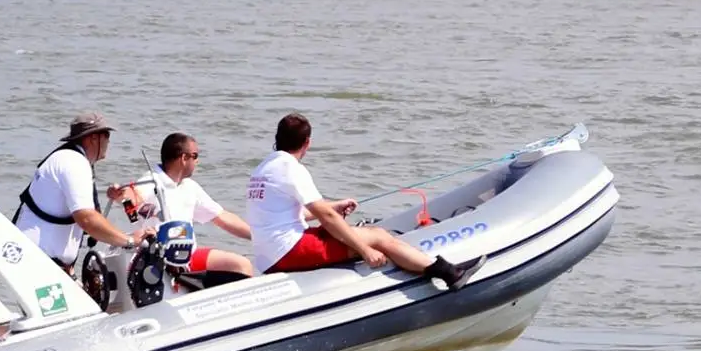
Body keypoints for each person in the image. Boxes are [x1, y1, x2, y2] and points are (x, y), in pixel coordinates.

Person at [247, 112, 482, 290]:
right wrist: (365, 250)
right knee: (377, 236)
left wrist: (334, 206)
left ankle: (436, 267)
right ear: (307, 143)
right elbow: (326, 218)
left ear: (277, 139)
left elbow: (289, 213)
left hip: (267, 256)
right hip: (288, 250)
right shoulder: (291, 168)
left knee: (356, 231)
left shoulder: (262, 169)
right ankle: (451, 274)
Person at [13, 113, 151, 274]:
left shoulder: (70, 159)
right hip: (37, 263)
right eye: (106, 135)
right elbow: (87, 219)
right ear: (92, 138)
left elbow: (88, 222)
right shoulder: (73, 163)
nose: (108, 141)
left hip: (42, 261)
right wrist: (130, 241)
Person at [107, 132, 255, 278]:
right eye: (195, 156)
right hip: (159, 259)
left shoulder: (190, 187)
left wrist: (257, 236)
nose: (197, 161)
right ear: (184, 158)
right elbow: (133, 195)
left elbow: (221, 217)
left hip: (188, 255)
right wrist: (120, 194)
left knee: (242, 265)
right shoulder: (151, 182)